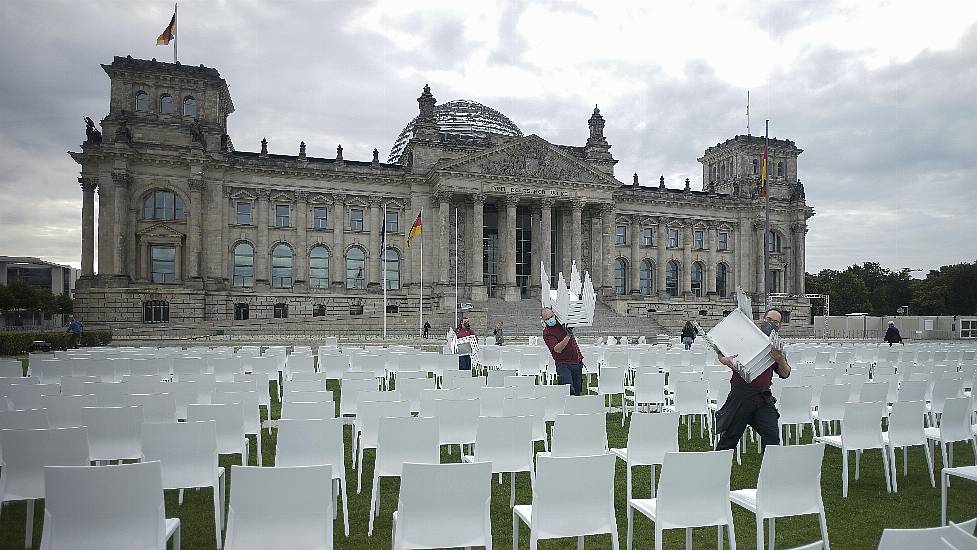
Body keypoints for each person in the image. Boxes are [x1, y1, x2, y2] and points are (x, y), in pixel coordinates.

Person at [714, 307, 792, 452]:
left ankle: (770, 473)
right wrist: (724, 359)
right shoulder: (747, 337)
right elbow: (721, 350)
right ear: (763, 319)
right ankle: (715, 471)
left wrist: (780, 358)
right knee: (728, 441)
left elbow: (786, 373)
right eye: (769, 320)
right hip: (740, 397)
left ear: (780, 326)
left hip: (763, 399)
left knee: (773, 440)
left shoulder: (776, 347)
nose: (771, 323)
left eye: (776, 322)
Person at [540, 307, 584, 396]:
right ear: (544, 320)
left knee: (577, 391)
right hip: (563, 364)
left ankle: (576, 409)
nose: (550, 320)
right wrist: (568, 335)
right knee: (567, 391)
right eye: (547, 319)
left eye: (551, 317)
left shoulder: (562, 323)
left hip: (576, 362)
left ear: (554, 315)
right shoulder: (547, 333)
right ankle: (566, 408)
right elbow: (557, 349)